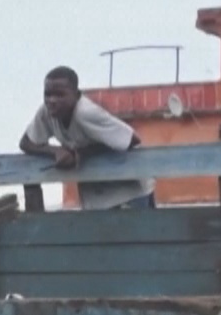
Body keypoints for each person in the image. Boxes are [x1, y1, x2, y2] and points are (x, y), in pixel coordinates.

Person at [19, 65, 153, 210]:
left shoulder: (85, 113)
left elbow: (132, 140)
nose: (52, 100)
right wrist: (55, 151)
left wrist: (83, 153)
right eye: (47, 94)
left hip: (131, 193)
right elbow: (26, 143)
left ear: (76, 95)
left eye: (60, 95)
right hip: (97, 199)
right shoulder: (46, 112)